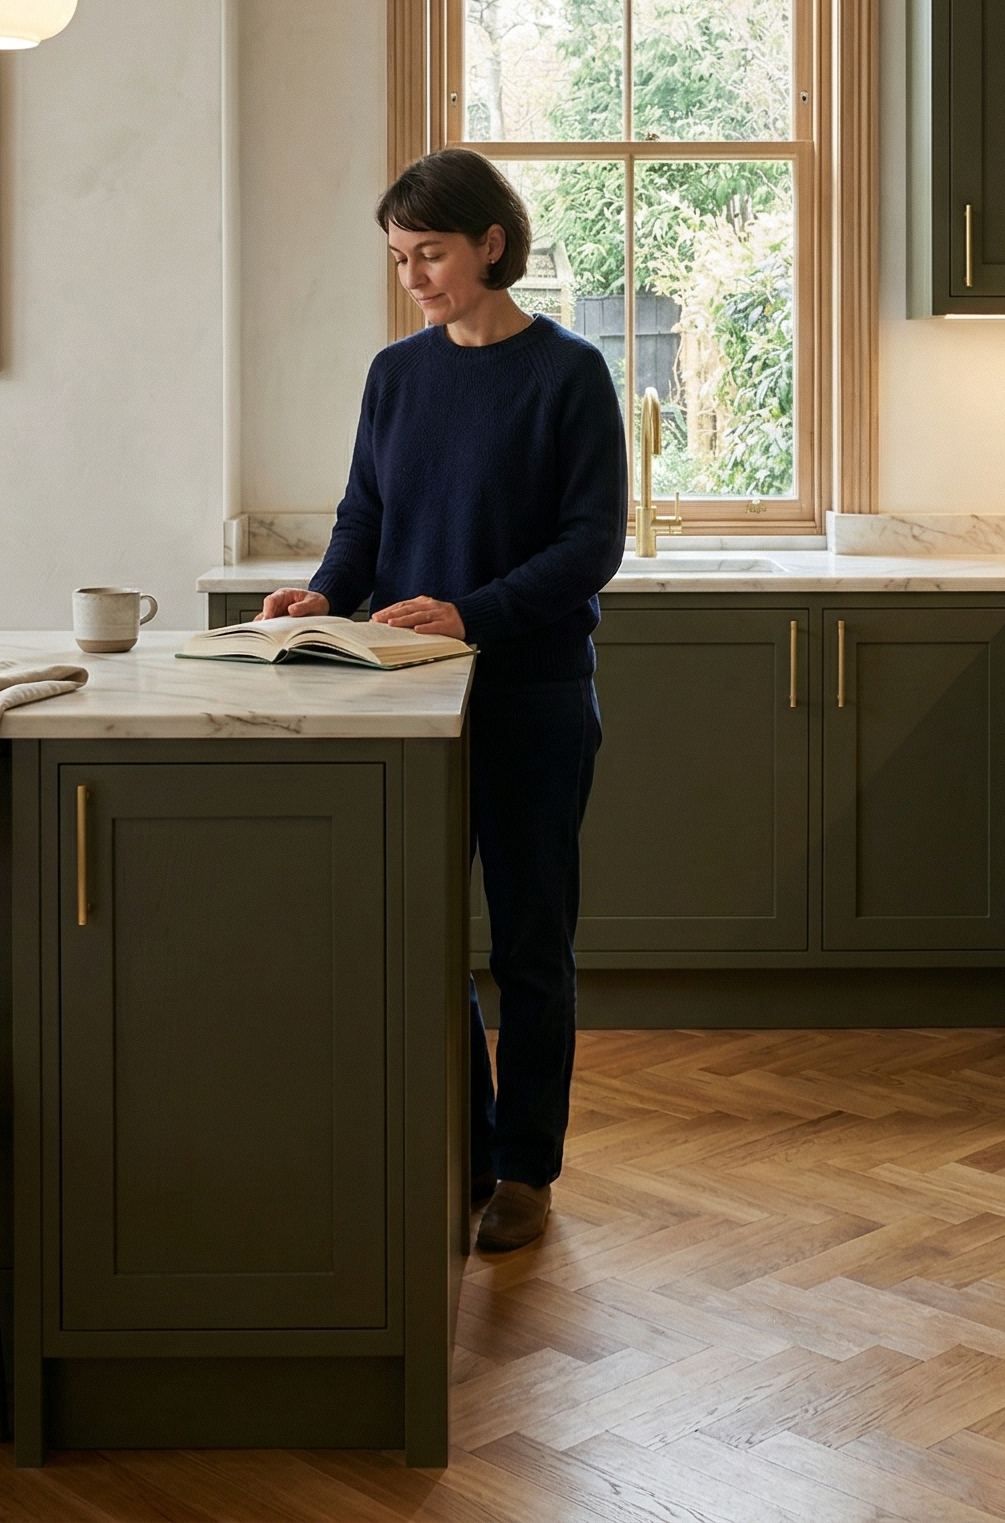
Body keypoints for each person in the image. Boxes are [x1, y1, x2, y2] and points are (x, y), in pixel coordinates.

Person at [262, 148, 626, 1254]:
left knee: (528, 944)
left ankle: (526, 1167)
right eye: (398, 257)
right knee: (423, 937)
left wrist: (469, 612)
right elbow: (364, 518)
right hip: (409, 702)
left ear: (491, 245)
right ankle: (467, 1142)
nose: (412, 276)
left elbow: (588, 548)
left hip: (532, 697)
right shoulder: (396, 375)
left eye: (427, 253)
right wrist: (323, 589)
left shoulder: (568, 374)